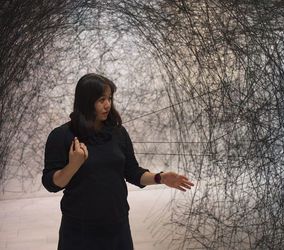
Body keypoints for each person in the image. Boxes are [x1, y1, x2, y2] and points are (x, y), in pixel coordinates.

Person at [42, 73, 194, 250]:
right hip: (79, 231)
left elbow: (131, 171)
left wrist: (159, 178)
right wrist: (74, 164)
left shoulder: (118, 132)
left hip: (117, 225)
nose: (107, 105)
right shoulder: (62, 136)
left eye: (109, 98)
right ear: (85, 101)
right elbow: (51, 184)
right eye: (101, 100)